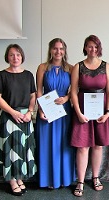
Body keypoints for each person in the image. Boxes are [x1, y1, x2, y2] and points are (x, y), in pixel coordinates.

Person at [70, 35, 109, 197]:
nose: (93, 49)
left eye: (95, 47)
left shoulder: (106, 66)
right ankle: (81, 181)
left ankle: (96, 177)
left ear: (99, 48)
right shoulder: (78, 67)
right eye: (90, 46)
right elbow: (73, 92)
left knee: (98, 146)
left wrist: (108, 112)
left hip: (101, 113)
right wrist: (78, 112)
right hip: (82, 111)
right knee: (82, 147)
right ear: (85, 48)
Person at [0, 44, 37, 196]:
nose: (15, 58)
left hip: (25, 117)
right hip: (8, 116)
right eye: (12, 55)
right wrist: (13, 112)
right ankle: (12, 179)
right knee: (10, 149)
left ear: (22, 56)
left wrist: (30, 112)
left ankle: (19, 177)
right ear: (7, 57)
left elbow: (33, 95)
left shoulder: (28, 75)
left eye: (18, 55)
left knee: (23, 149)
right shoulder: (1, 75)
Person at [35, 38, 75, 189]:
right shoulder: (42, 67)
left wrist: (66, 98)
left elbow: (74, 91)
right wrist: (40, 109)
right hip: (47, 112)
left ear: (65, 51)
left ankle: (64, 178)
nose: (58, 52)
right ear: (50, 50)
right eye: (55, 48)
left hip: (64, 112)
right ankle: (48, 179)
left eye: (61, 49)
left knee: (63, 145)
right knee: (46, 145)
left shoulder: (71, 68)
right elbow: (39, 90)